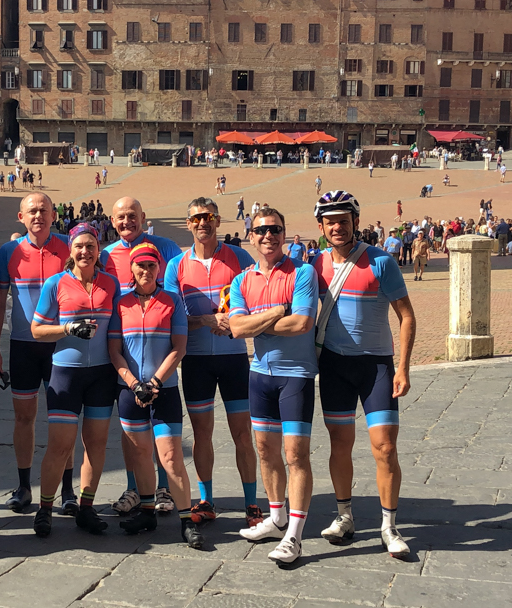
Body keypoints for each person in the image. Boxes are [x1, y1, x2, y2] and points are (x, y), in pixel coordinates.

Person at [311, 190, 416, 560]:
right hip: (335, 366)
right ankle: (344, 516)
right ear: (320, 227)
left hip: (376, 367)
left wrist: (403, 366)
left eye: (343, 220)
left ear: (356, 221)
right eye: (330, 221)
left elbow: (406, 316)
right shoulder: (313, 265)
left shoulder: (381, 262)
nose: (337, 227)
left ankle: (389, 525)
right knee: (339, 445)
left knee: (385, 448)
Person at [229, 206, 318, 567]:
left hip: (295, 374)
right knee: (265, 451)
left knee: (296, 455)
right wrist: (275, 312)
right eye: (262, 230)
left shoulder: (303, 272)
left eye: (276, 229)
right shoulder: (242, 280)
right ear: (251, 235)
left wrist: (255, 322)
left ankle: (294, 535)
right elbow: (236, 329)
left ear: (284, 233)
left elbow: (301, 324)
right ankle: (276, 516)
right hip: (259, 373)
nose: (269, 236)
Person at [163, 198, 260, 527]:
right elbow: (170, 318)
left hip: (235, 361)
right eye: (196, 218)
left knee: (242, 434)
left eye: (208, 217)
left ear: (218, 221)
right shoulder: (176, 266)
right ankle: (206, 500)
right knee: (202, 434)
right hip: (196, 362)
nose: (202, 223)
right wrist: (205, 320)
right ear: (188, 223)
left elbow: (258, 301)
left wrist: (237, 321)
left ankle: (251, 503)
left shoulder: (240, 258)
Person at [109, 243, 203, 548]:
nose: (146, 271)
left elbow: (179, 347)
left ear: (158, 268)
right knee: (140, 455)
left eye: (151, 266)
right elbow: (115, 352)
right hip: (130, 390)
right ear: (132, 269)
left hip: (164, 391)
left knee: (171, 456)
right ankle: (147, 510)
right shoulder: (120, 304)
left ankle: (187, 519)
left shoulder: (172, 301)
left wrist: (154, 384)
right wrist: (135, 384)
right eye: (141, 266)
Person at [30, 223, 121, 538]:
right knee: (60, 445)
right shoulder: (56, 284)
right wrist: (68, 329)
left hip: (102, 374)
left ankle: (86, 507)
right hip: (66, 373)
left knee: (95, 444)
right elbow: (37, 330)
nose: (85, 252)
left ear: (99, 250)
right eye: (79, 246)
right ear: (70, 249)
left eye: (91, 246)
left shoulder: (111, 284)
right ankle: (44, 510)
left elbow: (120, 330)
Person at [0, 193, 76, 514]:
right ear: (20, 217)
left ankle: (67, 490)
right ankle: (24, 486)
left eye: (43, 210)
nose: (38, 215)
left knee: (63, 420)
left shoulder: (70, 246)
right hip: (23, 347)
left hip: (63, 347)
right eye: (32, 211)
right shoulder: (10, 251)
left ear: (54, 214)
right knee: (23, 417)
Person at [100, 197, 184, 515]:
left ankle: (163, 487)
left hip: (160, 351)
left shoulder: (165, 246)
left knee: (163, 435)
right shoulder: (106, 254)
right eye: (120, 217)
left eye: (132, 216)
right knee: (131, 431)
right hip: (124, 352)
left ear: (143, 217)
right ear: (112, 219)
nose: (126, 222)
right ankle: (134, 487)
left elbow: (176, 290)